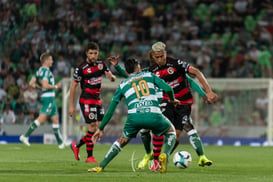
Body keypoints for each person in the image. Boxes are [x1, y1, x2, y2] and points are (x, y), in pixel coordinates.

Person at [109, 54, 212, 171]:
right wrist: (117, 67)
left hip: (181, 104)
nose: (157, 60)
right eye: (155, 58)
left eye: (160, 57)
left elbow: (191, 82)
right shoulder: (149, 73)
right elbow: (130, 76)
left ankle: (162, 158)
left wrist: (204, 94)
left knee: (178, 134)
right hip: (162, 104)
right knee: (154, 131)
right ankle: (152, 157)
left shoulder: (175, 70)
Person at [88, 58, 178, 173]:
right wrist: (172, 99)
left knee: (122, 141)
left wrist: (100, 128)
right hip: (153, 114)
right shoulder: (149, 75)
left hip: (134, 118)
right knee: (171, 132)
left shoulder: (122, 84)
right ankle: (165, 155)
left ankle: (101, 166)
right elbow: (168, 88)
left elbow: (111, 110)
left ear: (127, 70)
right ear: (139, 67)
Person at [69, 41, 116, 163]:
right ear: (86, 53)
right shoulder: (81, 69)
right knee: (92, 127)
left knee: (99, 129)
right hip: (86, 100)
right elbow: (73, 86)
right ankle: (89, 156)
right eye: (91, 53)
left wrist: (112, 77)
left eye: (95, 53)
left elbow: (110, 77)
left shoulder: (101, 64)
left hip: (97, 100)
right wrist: (71, 106)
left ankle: (76, 146)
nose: (93, 56)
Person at [19, 52, 64, 149]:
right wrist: (56, 86)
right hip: (49, 98)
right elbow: (45, 85)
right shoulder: (46, 72)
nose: (52, 61)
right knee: (41, 119)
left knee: (55, 119)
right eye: (51, 60)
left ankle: (61, 143)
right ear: (46, 61)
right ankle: (25, 136)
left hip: (48, 97)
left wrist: (39, 88)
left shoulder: (39, 70)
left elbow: (31, 83)